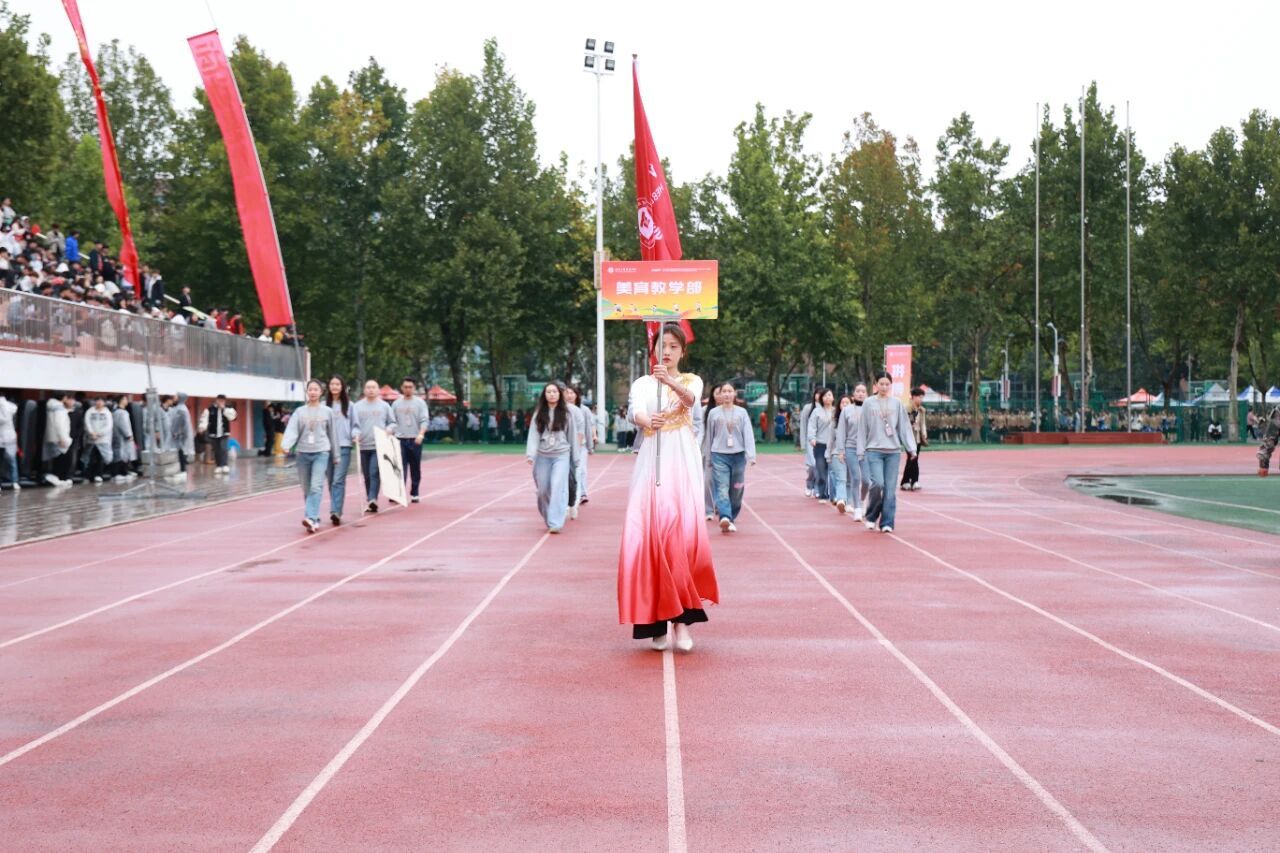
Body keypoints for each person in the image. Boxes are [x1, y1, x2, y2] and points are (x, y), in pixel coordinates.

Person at [618, 325, 719, 652]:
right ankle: (656, 624)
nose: (667, 351)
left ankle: (682, 623)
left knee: (680, 536)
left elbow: (690, 401)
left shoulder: (692, 380)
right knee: (652, 537)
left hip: (682, 460)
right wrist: (647, 420)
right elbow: (635, 411)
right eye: (662, 344)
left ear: (682, 351)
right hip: (653, 459)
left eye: (674, 346)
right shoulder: (642, 383)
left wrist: (670, 381)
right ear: (653, 348)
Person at [856, 372, 918, 534]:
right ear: (876, 385)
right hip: (874, 450)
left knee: (890, 489)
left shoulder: (896, 403)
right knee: (878, 484)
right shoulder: (868, 403)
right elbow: (862, 428)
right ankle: (871, 516)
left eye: (887, 384)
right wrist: (860, 451)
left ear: (891, 385)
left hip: (893, 452)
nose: (884, 387)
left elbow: (904, 427)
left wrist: (911, 448)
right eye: (881, 384)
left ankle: (887, 522)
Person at [281, 378, 338, 533]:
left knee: (316, 486)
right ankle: (314, 519)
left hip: (321, 452)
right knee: (307, 488)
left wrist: (336, 455)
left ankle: (310, 517)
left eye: (315, 389)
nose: (313, 392)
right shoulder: (300, 412)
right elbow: (292, 429)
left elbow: (333, 434)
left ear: (321, 392)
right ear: (307, 392)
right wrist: (286, 445)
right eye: (310, 389)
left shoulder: (327, 412)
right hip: (303, 453)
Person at [526, 382, 578, 534]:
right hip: (543, 456)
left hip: (561, 455)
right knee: (542, 491)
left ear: (559, 394)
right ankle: (549, 516)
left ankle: (556, 522)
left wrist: (575, 457)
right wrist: (531, 454)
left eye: (555, 391)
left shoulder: (566, 413)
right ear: (544, 395)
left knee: (557, 487)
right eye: (548, 392)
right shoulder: (539, 413)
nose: (552, 394)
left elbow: (572, 435)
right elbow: (533, 434)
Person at [705, 380, 756, 532]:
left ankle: (731, 516)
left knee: (737, 489)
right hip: (719, 455)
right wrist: (708, 458)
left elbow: (748, 434)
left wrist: (751, 455)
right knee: (722, 487)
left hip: (738, 456)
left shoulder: (742, 413)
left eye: (729, 391)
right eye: (724, 391)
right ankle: (725, 516)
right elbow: (709, 436)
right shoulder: (713, 413)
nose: (726, 394)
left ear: (735, 394)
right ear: (720, 395)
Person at [353, 379, 395, 513]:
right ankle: (371, 500)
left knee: (374, 472)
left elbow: (393, 423)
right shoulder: (357, 407)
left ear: (378, 390)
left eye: (373, 387)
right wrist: (355, 434)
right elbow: (353, 425)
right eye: (368, 387)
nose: (371, 390)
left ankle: (372, 499)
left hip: (378, 445)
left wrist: (389, 429)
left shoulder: (384, 406)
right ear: (364, 390)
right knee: (367, 475)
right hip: (363, 446)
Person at [832, 383, 870, 520]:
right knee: (855, 478)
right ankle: (857, 508)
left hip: (867, 449)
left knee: (866, 480)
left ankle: (862, 500)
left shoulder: (871, 409)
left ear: (867, 394)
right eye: (858, 391)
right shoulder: (846, 411)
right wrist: (840, 450)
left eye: (863, 391)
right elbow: (841, 432)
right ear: (853, 394)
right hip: (851, 448)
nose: (860, 393)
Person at [324, 375, 357, 525]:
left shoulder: (350, 405)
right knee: (331, 480)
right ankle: (336, 507)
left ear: (342, 387)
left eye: (338, 384)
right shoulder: (324, 406)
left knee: (338, 480)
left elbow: (355, 425)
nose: (335, 387)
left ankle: (335, 511)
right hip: (326, 448)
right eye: (332, 384)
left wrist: (355, 435)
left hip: (344, 446)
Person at [393, 377, 430, 503]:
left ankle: (415, 492)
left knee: (415, 467)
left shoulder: (420, 403)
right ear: (401, 388)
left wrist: (421, 434)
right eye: (405, 387)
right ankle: (399, 492)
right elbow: (392, 421)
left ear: (414, 388)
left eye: (410, 387)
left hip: (415, 439)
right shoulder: (396, 404)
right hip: (400, 439)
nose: (408, 389)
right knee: (399, 467)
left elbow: (424, 420)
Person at [562, 385, 594, 515]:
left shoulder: (584, 410)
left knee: (580, 471)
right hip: (564, 447)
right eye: (567, 393)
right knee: (566, 473)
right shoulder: (561, 410)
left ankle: (578, 497)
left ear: (577, 395)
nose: (569, 395)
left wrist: (589, 446)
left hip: (580, 446)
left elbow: (588, 428)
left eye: (572, 393)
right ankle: (568, 496)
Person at [808, 387, 836, 502]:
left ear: (833, 397)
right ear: (821, 398)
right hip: (820, 445)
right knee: (821, 470)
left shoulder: (837, 411)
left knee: (834, 471)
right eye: (824, 396)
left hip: (834, 446)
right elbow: (812, 426)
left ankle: (834, 495)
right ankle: (822, 493)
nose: (827, 397)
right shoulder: (816, 411)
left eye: (829, 395)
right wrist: (812, 438)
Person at [199, 394, 238, 474]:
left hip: (224, 433)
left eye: (222, 401)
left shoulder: (228, 408)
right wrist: (202, 427)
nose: (221, 402)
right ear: (216, 400)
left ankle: (225, 465)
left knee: (223, 448)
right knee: (217, 450)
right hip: (214, 433)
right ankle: (219, 465)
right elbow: (204, 419)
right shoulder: (210, 409)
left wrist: (224, 409)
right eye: (219, 400)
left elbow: (233, 417)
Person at [43, 392, 74, 487]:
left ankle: (56, 477)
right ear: (64, 398)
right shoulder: (59, 408)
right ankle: (58, 478)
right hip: (59, 437)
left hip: (51, 436)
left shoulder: (50, 406)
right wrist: (63, 438)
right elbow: (60, 424)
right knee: (62, 459)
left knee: (55, 458)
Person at [900, 387, 928, 491]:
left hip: (917, 438)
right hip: (909, 438)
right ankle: (912, 481)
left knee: (914, 459)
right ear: (914, 397)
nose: (921, 399)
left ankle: (907, 481)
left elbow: (923, 423)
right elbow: (904, 423)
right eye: (919, 397)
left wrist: (924, 433)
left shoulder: (922, 410)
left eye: (922, 397)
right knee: (912, 458)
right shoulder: (906, 409)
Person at [84, 396, 115, 483]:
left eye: (101, 401)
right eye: (97, 401)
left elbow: (109, 426)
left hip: (103, 439)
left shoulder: (107, 412)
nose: (99, 403)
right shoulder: (89, 411)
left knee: (101, 457)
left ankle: (99, 474)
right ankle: (89, 475)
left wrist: (99, 433)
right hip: (91, 439)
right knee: (90, 457)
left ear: (104, 403)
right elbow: (87, 423)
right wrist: (91, 432)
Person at [112, 395, 138, 482]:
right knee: (123, 455)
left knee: (121, 454)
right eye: (125, 399)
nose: (127, 401)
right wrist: (128, 435)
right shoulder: (122, 412)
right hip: (123, 437)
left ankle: (123, 472)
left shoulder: (115, 411)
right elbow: (124, 425)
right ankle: (120, 473)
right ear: (121, 400)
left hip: (117, 436)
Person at [168, 393, 195, 478]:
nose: (174, 398)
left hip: (179, 435)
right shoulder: (179, 408)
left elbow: (182, 423)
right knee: (180, 452)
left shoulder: (181, 409)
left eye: (176, 396)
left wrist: (178, 433)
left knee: (181, 453)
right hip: (179, 435)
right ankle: (181, 470)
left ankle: (182, 471)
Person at [799, 388, 819, 496]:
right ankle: (809, 484)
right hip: (811, 441)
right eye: (818, 393)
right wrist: (803, 443)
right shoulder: (808, 408)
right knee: (813, 465)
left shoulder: (828, 409)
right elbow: (803, 426)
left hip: (823, 441)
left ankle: (818, 488)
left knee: (821, 466)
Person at [1, 393, 20, 490]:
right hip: (10, 436)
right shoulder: (11, 406)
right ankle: (15, 481)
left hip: (2, 435)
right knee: (12, 460)